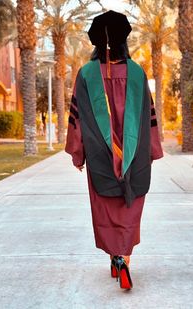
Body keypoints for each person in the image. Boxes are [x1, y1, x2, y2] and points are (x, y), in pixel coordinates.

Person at [65, 10, 164, 290]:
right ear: (124, 40)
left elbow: (78, 118)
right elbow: (149, 116)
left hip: (100, 154)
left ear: (97, 42)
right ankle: (125, 259)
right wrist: (152, 149)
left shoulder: (85, 74)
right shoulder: (136, 73)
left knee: (105, 207)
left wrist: (77, 152)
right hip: (135, 155)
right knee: (129, 206)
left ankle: (115, 257)